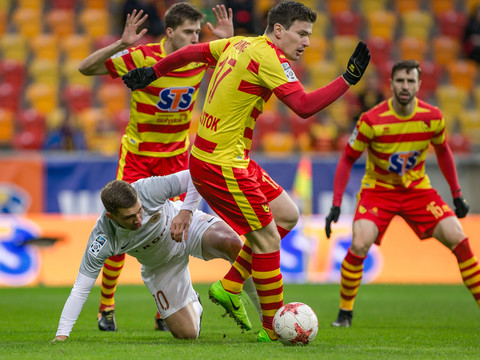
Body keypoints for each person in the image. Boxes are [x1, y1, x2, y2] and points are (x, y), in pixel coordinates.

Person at [122, 0, 370, 341]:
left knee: (287, 215)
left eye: (309, 35)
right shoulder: (269, 56)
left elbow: (192, 52)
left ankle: (231, 284)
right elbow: (303, 106)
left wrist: (154, 71)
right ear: (279, 30)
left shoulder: (241, 42)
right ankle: (273, 330)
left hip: (228, 158)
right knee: (267, 239)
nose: (307, 42)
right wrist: (348, 79)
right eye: (301, 34)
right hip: (220, 165)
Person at [78, 3, 234, 332]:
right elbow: (85, 68)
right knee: (122, 229)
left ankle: (166, 310)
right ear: (171, 32)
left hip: (177, 156)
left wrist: (228, 42)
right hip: (138, 156)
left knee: (177, 232)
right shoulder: (144, 56)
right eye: (190, 32)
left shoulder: (202, 56)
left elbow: (238, 69)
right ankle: (106, 304)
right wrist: (122, 43)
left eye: (198, 32)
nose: (196, 37)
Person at [324, 60, 479, 328]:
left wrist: (456, 194)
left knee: (459, 238)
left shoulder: (432, 117)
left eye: (410, 81)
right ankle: (345, 313)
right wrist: (336, 204)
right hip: (378, 191)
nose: (405, 86)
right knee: (360, 243)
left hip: (417, 191)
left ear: (419, 84)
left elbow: (443, 152)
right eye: (400, 81)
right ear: (391, 84)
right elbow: (347, 159)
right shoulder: (371, 120)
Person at [52, 170, 255, 341]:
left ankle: (268, 319)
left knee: (232, 243)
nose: (139, 219)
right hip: (160, 266)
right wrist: (62, 334)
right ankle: (195, 303)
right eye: (129, 217)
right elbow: (81, 288)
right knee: (188, 334)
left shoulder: (149, 189)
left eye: (140, 211)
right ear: (111, 216)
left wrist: (186, 212)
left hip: (184, 228)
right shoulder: (103, 238)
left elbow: (197, 176)